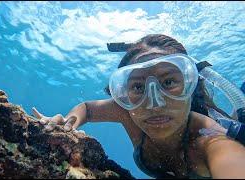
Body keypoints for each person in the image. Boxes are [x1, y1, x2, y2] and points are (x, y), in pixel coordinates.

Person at [32, 34, 245, 178]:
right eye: (138, 87)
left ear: (190, 84)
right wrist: (68, 124)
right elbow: (87, 109)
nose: (154, 103)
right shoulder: (127, 112)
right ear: (123, 92)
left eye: (169, 82)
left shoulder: (211, 139)